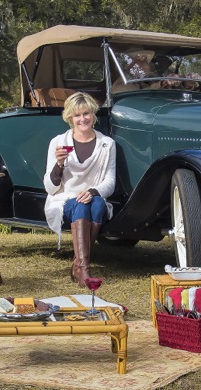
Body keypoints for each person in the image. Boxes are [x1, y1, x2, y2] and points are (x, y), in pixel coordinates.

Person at [43, 92, 116, 287]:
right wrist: (59, 165)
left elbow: (110, 181)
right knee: (81, 206)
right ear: (70, 118)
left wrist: (92, 191)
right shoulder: (58, 143)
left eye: (86, 113)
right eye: (77, 115)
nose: (82, 119)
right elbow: (50, 188)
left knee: (98, 203)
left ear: (93, 115)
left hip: (94, 198)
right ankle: (84, 268)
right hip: (65, 200)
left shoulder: (106, 144)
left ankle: (79, 265)